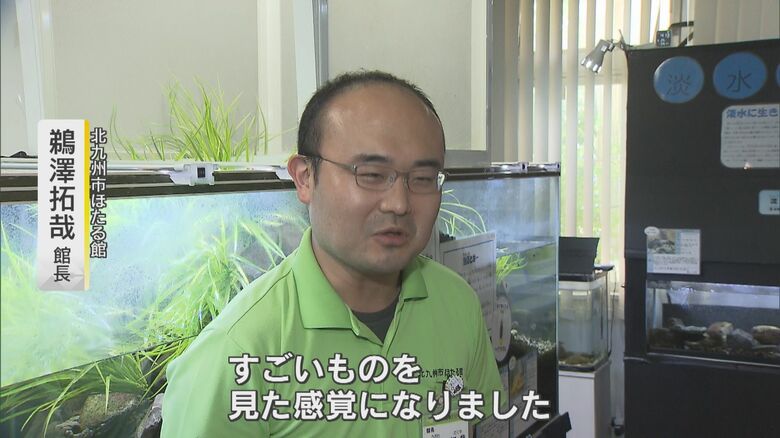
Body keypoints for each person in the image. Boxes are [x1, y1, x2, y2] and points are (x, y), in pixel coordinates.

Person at [161, 70, 503, 437]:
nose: (399, 203)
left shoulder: (456, 303)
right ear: (305, 177)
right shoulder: (237, 353)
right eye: (371, 174)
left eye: (422, 179)